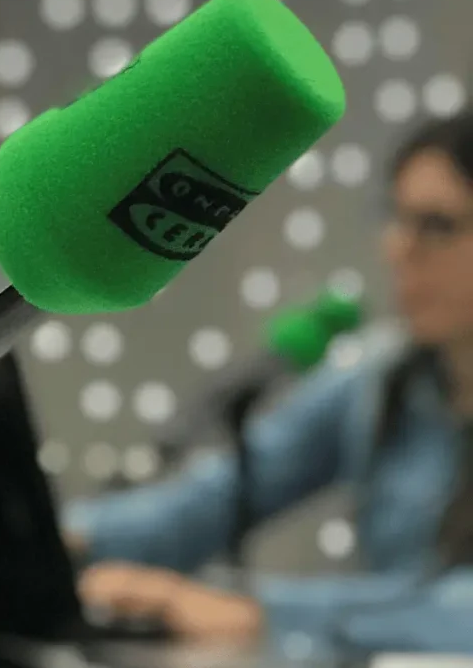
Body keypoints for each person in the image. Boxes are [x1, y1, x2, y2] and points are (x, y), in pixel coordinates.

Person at [64, 110, 473, 657]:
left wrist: (257, 612)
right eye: (397, 218)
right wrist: (57, 537)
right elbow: (211, 502)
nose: (399, 248)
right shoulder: (379, 379)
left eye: (438, 225)